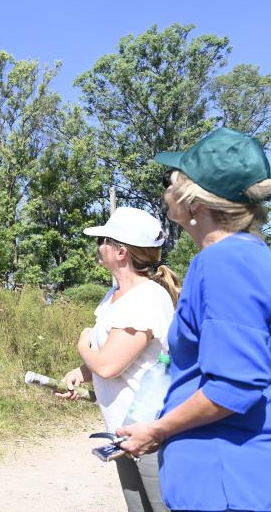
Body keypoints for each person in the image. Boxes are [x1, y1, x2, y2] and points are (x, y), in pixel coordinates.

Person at [117, 127, 271, 511]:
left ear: (195, 203)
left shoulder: (224, 262)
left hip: (225, 482)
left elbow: (233, 387)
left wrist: (156, 431)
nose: (167, 187)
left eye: (174, 180)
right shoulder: (249, 257)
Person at [57, 207, 181, 512]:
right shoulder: (115, 294)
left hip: (151, 432)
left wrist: (82, 344)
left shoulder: (147, 297)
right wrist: (83, 372)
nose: (98, 246)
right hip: (123, 430)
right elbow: (113, 352)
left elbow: (109, 365)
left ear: (121, 251)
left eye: (103, 239)